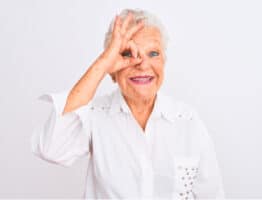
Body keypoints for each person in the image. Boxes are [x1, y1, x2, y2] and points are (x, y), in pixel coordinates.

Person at [31, 8, 225, 199]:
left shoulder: (187, 119)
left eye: (153, 53)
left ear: (164, 61)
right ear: (112, 69)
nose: (142, 64)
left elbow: (211, 195)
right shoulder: (96, 114)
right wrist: (102, 63)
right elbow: (52, 149)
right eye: (127, 54)